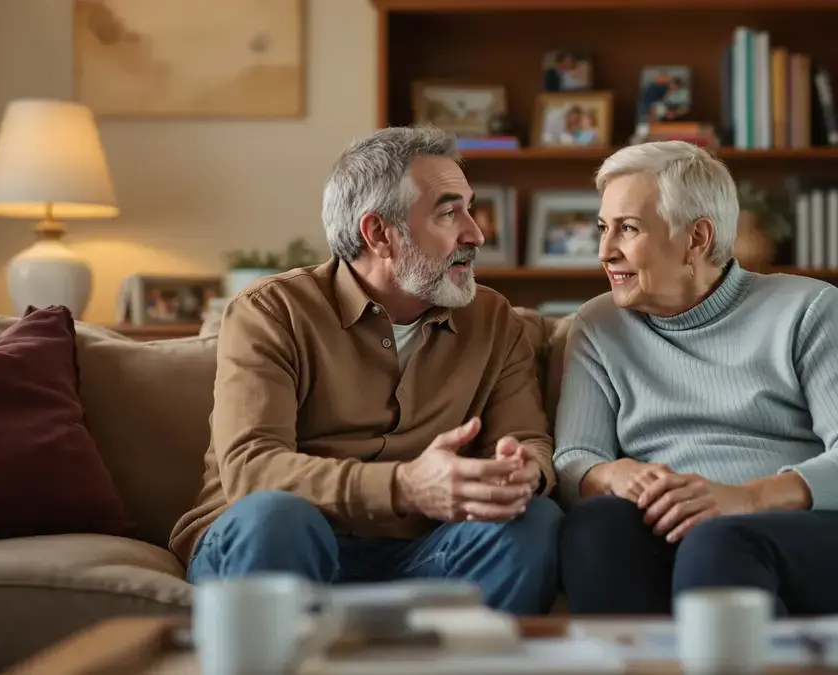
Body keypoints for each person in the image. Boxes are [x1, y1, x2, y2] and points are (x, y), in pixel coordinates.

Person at [168, 125, 562, 615]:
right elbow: (252, 468)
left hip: (421, 553)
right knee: (277, 517)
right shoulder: (271, 312)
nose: (476, 233)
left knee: (534, 520)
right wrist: (405, 486)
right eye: (448, 212)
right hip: (281, 544)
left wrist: (523, 469)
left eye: (469, 207)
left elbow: (529, 439)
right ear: (379, 234)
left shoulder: (494, 319)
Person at [553, 140, 838, 616]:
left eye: (627, 229)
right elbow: (574, 458)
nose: (605, 251)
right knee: (596, 527)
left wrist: (744, 498)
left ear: (696, 237)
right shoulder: (598, 326)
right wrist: (615, 475)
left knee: (721, 542)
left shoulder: (807, 307)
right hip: (688, 530)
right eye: (602, 229)